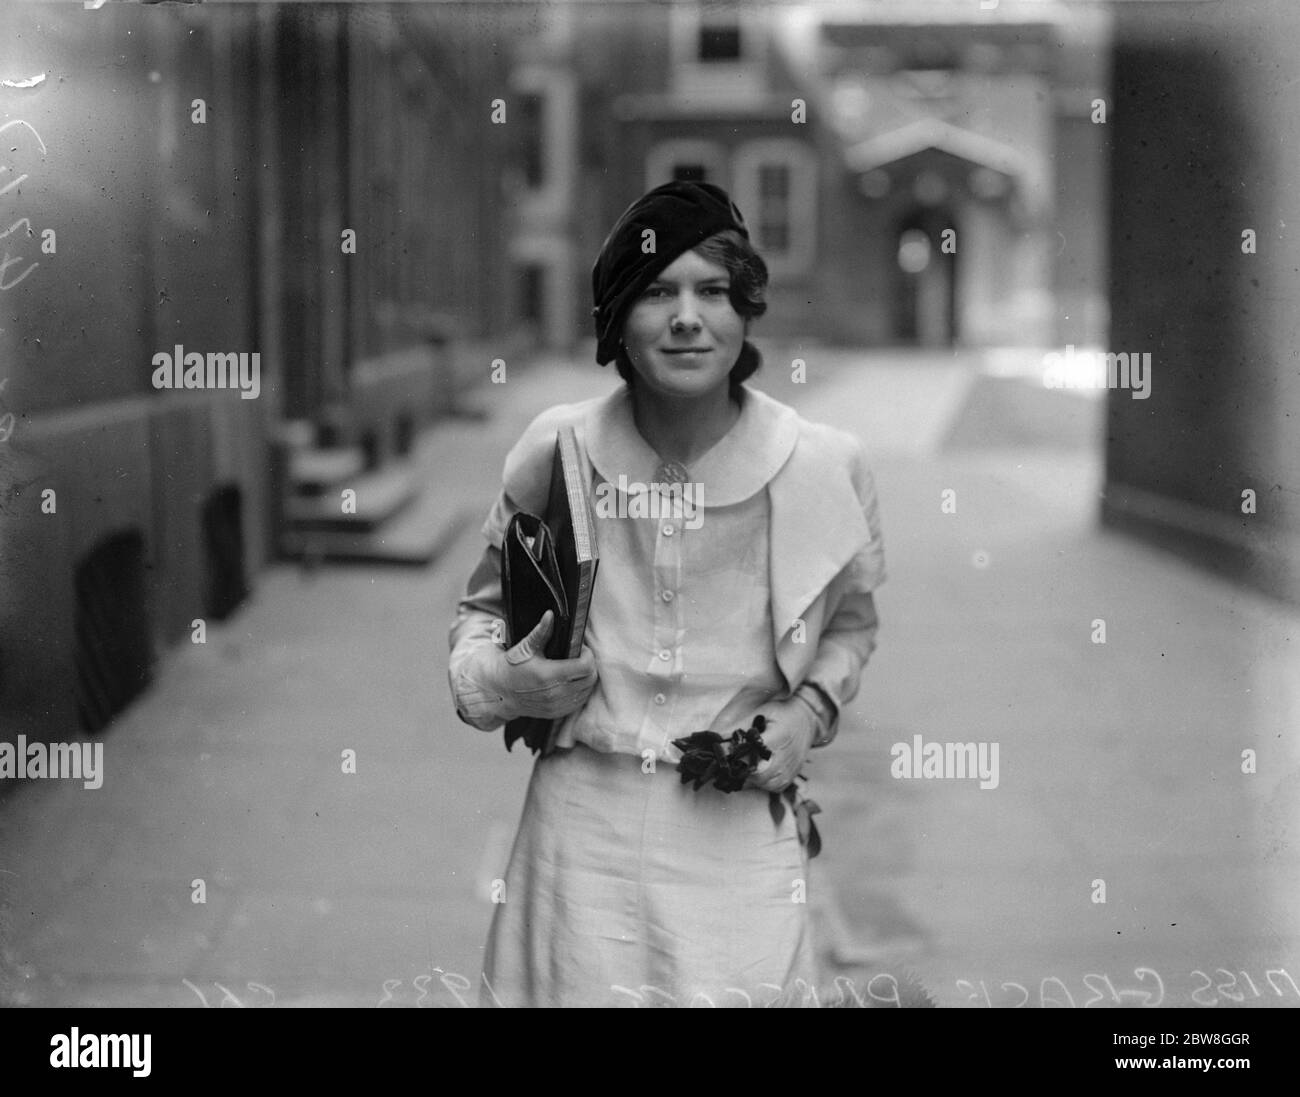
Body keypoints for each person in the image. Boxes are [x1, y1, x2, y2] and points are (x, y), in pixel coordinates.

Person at [447, 180, 885, 1008]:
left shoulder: (825, 463)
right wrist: (503, 684)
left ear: (745, 307)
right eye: (657, 292)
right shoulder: (561, 449)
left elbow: (853, 625)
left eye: (713, 290)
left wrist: (806, 714)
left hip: (739, 839)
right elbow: (482, 614)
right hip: (583, 833)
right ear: (618, 321)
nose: (688, 317)